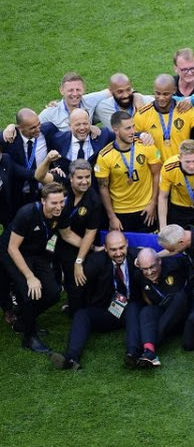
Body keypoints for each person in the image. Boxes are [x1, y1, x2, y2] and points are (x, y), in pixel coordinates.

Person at [48, 231, 143, 370]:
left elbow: (156, 265)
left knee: (133, 306)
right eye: (113, 249)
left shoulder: (137, 257)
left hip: (130, 312)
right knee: (81, 315)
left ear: (127, 244)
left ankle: (133, 355)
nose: (118, 253)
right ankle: (71, 358)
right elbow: (79, 286)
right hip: (106, 311)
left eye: (121, 247)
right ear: (105, 248)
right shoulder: (96, 261)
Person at [0, 182, 65, 352]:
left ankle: (22, 321)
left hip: (36, 252)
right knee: (30, 292)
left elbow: (63, 234)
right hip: (12, 251)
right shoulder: (27, 213)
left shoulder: (60, 213)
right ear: (43, 201)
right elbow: (12, 248)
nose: (59, 207)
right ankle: (29, 338)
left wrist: (91, 248)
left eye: (61, 202)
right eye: (54, 203)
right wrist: (30, 277)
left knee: (53, 293)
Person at [34, 156, 101, 315]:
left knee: (74, 278)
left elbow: (90, 233)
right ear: (70, 178)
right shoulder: (60, 182)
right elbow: (39, 176)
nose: (84, 181)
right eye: (80, 178)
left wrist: (79, 260)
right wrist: (48, 160)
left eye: (87, 177)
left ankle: (76, 310)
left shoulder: (94, 201)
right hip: (50, 236)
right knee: (46, 270)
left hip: (74, 242)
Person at [95, 111, 162, 232]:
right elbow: (103, 188)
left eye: (133, 127)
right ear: (116, 130)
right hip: (120, 212)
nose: (132, 132)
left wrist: (153, 203)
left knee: (148, 248)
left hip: (146, 210)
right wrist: (111, 216)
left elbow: (157, 174)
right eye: (127, 128)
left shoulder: (147, 146)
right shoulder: (104, 155)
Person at [134, 74, 194, 162]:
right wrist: (139, 135)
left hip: (181, 168)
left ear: (174, 90)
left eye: (166, 94)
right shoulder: (142, 114)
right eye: (158, 93)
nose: (161, 98)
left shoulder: (185, 110)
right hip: (156, 170)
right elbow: (131, 139)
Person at [135, 248, 191, 368]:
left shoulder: (175, 265)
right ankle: (150, 352)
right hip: (162, 312)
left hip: (183, 315)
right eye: (145, 269)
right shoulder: (139, 276)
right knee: (147, 310)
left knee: (180, 297)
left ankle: (153, 340)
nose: (149, 272)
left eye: (152, 267)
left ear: (159, 261)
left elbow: (189, 255)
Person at [2, 108, 58, 210]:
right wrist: (10, 127)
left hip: (45, 191)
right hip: (19, 194)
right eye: (32, 128)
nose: (37, 129)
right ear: (20, 128)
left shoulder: (49, 129)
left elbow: (66, 138)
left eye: (38, 124)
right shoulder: (8, 139)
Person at [39, 72, 111, 130]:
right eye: (70, 90)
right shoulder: (51, 113)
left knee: (104, 106)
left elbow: (114, 90)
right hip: (64, 146)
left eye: (78, 89)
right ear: (61, 90)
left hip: (89, 143)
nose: (75, 94)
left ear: (84, 89)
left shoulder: (89, 100)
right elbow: (32, 127)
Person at [49, 108, 114, 169]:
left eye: (85, 123)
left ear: (90, 123)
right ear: (69, 126)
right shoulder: (58, 140)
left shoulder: (103, 136)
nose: (82, 128)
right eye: (78, 124)